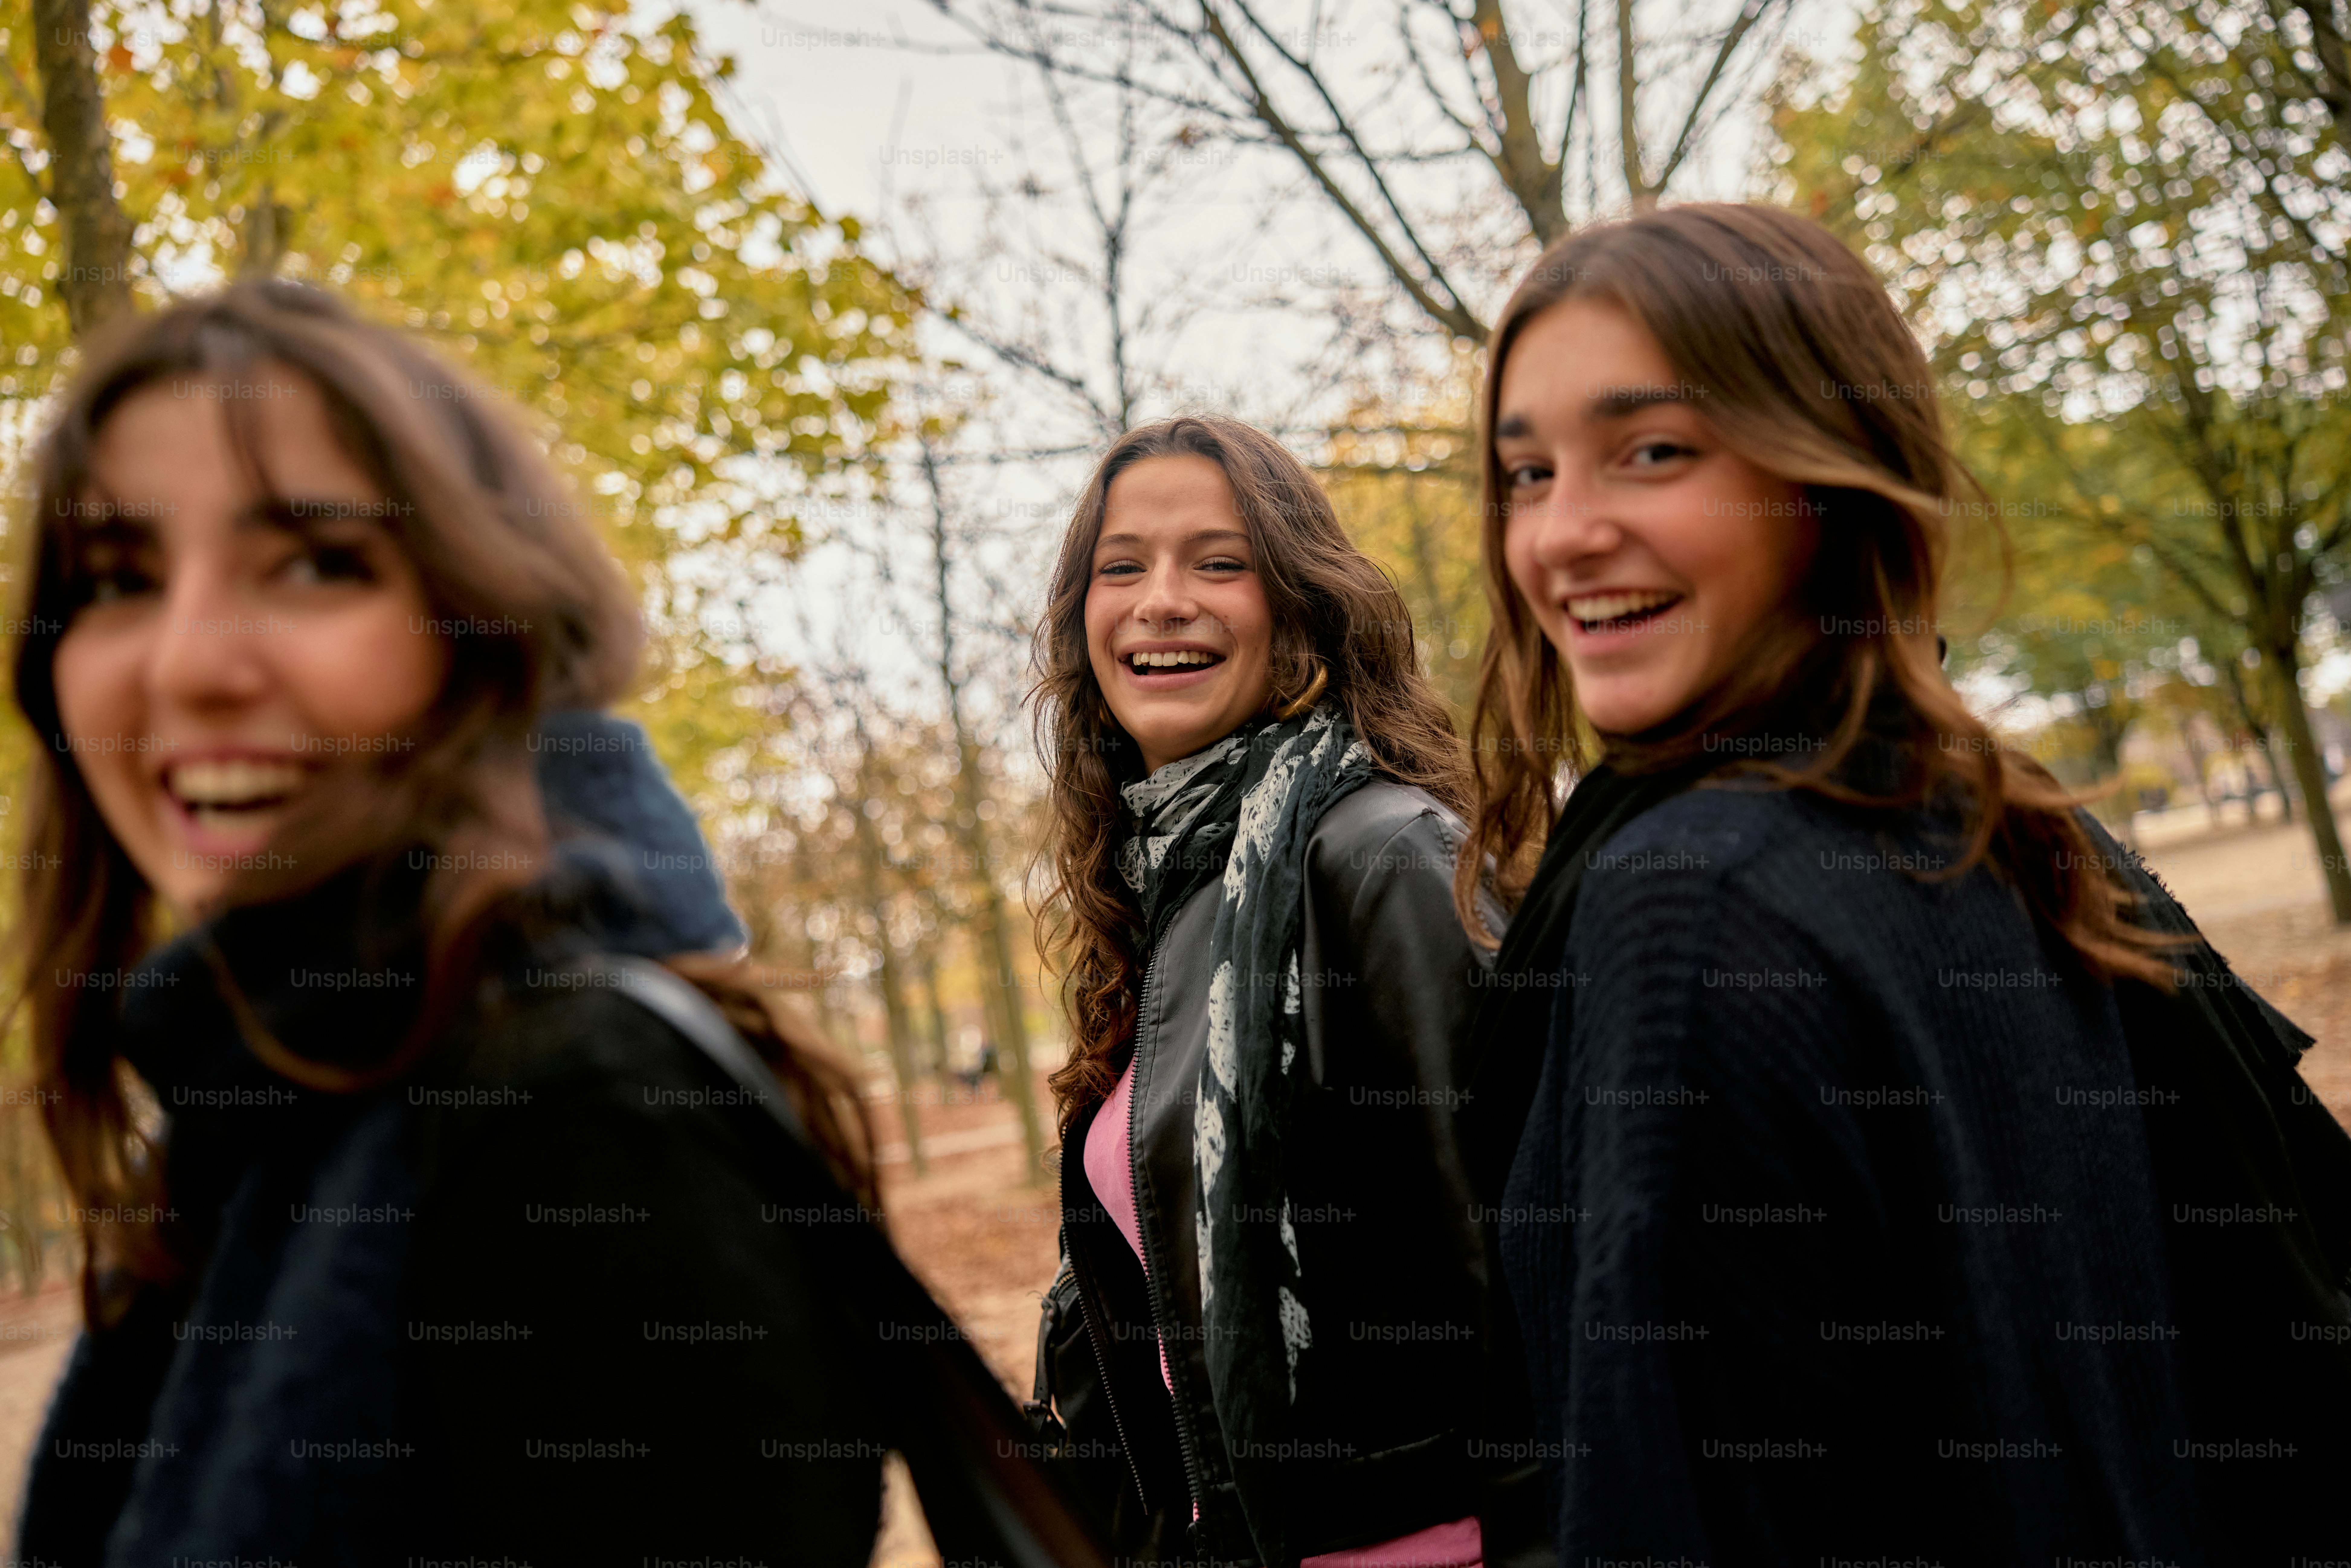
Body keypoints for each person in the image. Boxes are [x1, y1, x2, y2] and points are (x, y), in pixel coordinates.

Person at [5, 282, 1093, 1568]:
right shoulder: (257, 1098)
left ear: (484, 629)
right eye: (120, 576)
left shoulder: (569, 1108)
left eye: (313, 559)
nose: (185, 662)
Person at [1456, 203, 2351, 1562]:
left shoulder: (1694, 906)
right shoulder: (1995, 815)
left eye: (1650, 451)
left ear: (1826, 471)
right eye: (1525, 473)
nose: (1560, 534)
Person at [1025, 416, 1529, 1568]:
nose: (1162, 599)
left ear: (1300, 603)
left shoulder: (1382, 855)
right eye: (1123, 566)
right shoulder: (1172, 887)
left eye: (1218, 561)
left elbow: (1530, 1274)